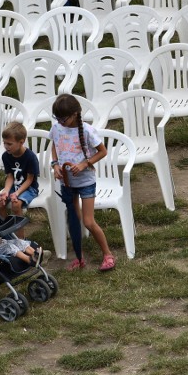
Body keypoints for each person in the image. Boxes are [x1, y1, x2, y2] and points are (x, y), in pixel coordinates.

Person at [50, 94, 116, 272]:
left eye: (63, 118)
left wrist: (85, 163)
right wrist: (55, 165)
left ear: (75, 114)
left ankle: (107, 254)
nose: (60, 122)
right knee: (73, 220)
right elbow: (54, 146)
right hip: (67, 183)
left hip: (85, 182)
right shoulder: (57, 128)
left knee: (88, 221)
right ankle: (79, 257)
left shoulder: (87, 130)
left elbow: (103, 151)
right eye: (57, 118)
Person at [0, 122, 39, 226]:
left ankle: (20, 239)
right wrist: (6, 191)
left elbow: (29, 180)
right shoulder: (6, 156)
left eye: (9, 144)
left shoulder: (30, 157)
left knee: (16, 205)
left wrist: (17, 193)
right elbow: (10, 176)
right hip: (14, 186)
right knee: (0, 203)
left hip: (29, 188)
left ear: (21, 142)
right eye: (4, 143)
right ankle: (8, 231)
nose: (6, 146)